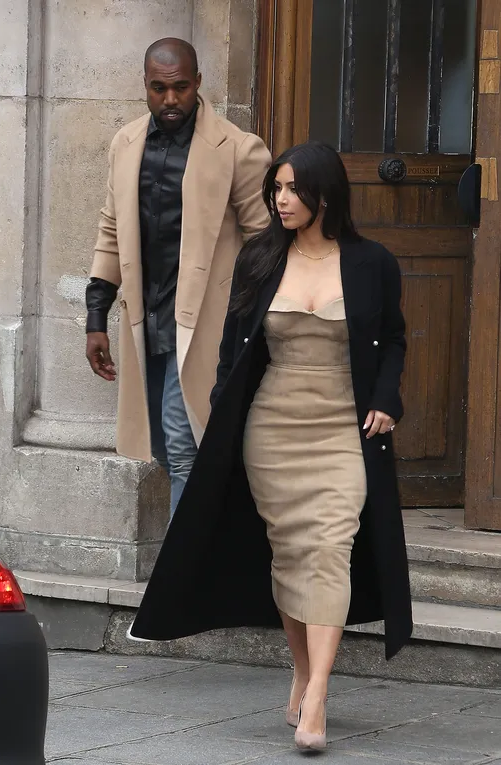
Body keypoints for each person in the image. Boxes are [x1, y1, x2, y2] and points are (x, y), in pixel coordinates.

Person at [130, 142, 413, 751]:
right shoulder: (260, 258)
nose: (280, 201)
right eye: (275, 190)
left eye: (291, 190)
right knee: (289, 556)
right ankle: (304, 672)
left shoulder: (372, 264)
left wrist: (387, 398)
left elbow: (393, 339)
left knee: (330, 546)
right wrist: (220, 403)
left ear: (325, 195)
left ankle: (317, 700)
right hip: (272, 430)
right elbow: (235, 349)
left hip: (343, 427)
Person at [85, 38, 271, 515]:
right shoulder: (125, 144)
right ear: (145, 87)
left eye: (181, 88)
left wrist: (248, 319)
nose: (171, 100)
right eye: (159, 88)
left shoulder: (239, 149)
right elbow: (111, 229)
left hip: (206, 325)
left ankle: (182, 580)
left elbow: (265, 244)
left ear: (199, 83)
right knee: (163, 446)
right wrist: (95, 319)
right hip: (146, 320)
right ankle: (210, 546)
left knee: (184, 443)